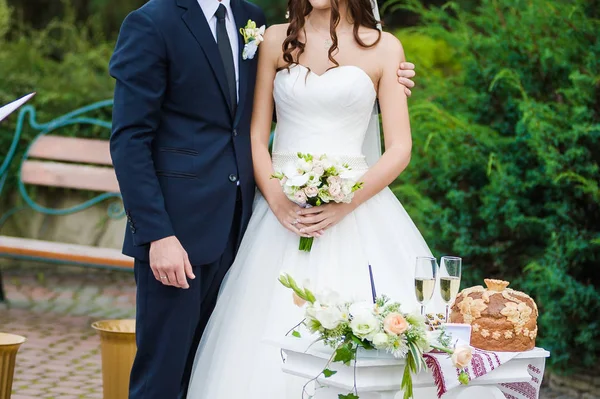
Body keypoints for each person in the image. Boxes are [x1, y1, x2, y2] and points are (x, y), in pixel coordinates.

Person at [108, 0, 417, 397]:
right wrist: (275, 201)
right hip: (213, 225)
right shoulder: (260, 34)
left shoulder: (249, 19)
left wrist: (392, 80)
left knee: (216, 360)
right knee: (169, 369)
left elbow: (396, 144)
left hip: (248, 227)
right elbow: (133, 138)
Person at [185, 0, 444, 397]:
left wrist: (345, 202)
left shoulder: (386, 48)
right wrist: (276, 199)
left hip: (357, 210)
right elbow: (256, 136)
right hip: (280, 213)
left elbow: (399, 148)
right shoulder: (274, 39)